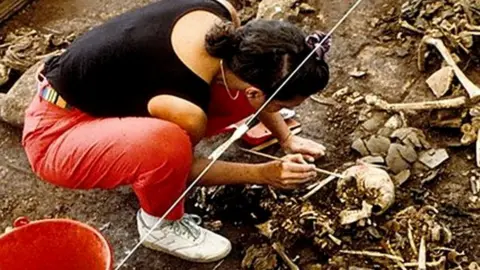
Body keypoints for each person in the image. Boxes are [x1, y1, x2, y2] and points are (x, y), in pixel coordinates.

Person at [21, 0, 330, 263]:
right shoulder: (187, 109)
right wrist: (265, 174)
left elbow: (251, 90)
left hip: (111, 98)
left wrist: (286, 139)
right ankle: (160, 224)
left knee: (228, 88)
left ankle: (142, 156)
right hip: (57, 133)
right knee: (168, 147)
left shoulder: (220, 14)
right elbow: (184, 167)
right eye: (284, 104)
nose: (288, 110)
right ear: (256, 93)